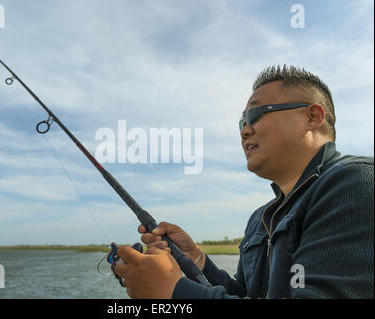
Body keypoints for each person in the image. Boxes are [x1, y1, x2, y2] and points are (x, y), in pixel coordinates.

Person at [114, 65, 374, 299]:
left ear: (312, 117)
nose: (244, 131)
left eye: (256, 115)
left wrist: (173, 292)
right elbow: (247, 294)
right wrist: (198, 260)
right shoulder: (259, 219)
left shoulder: (355, 183)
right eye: (242, 121)